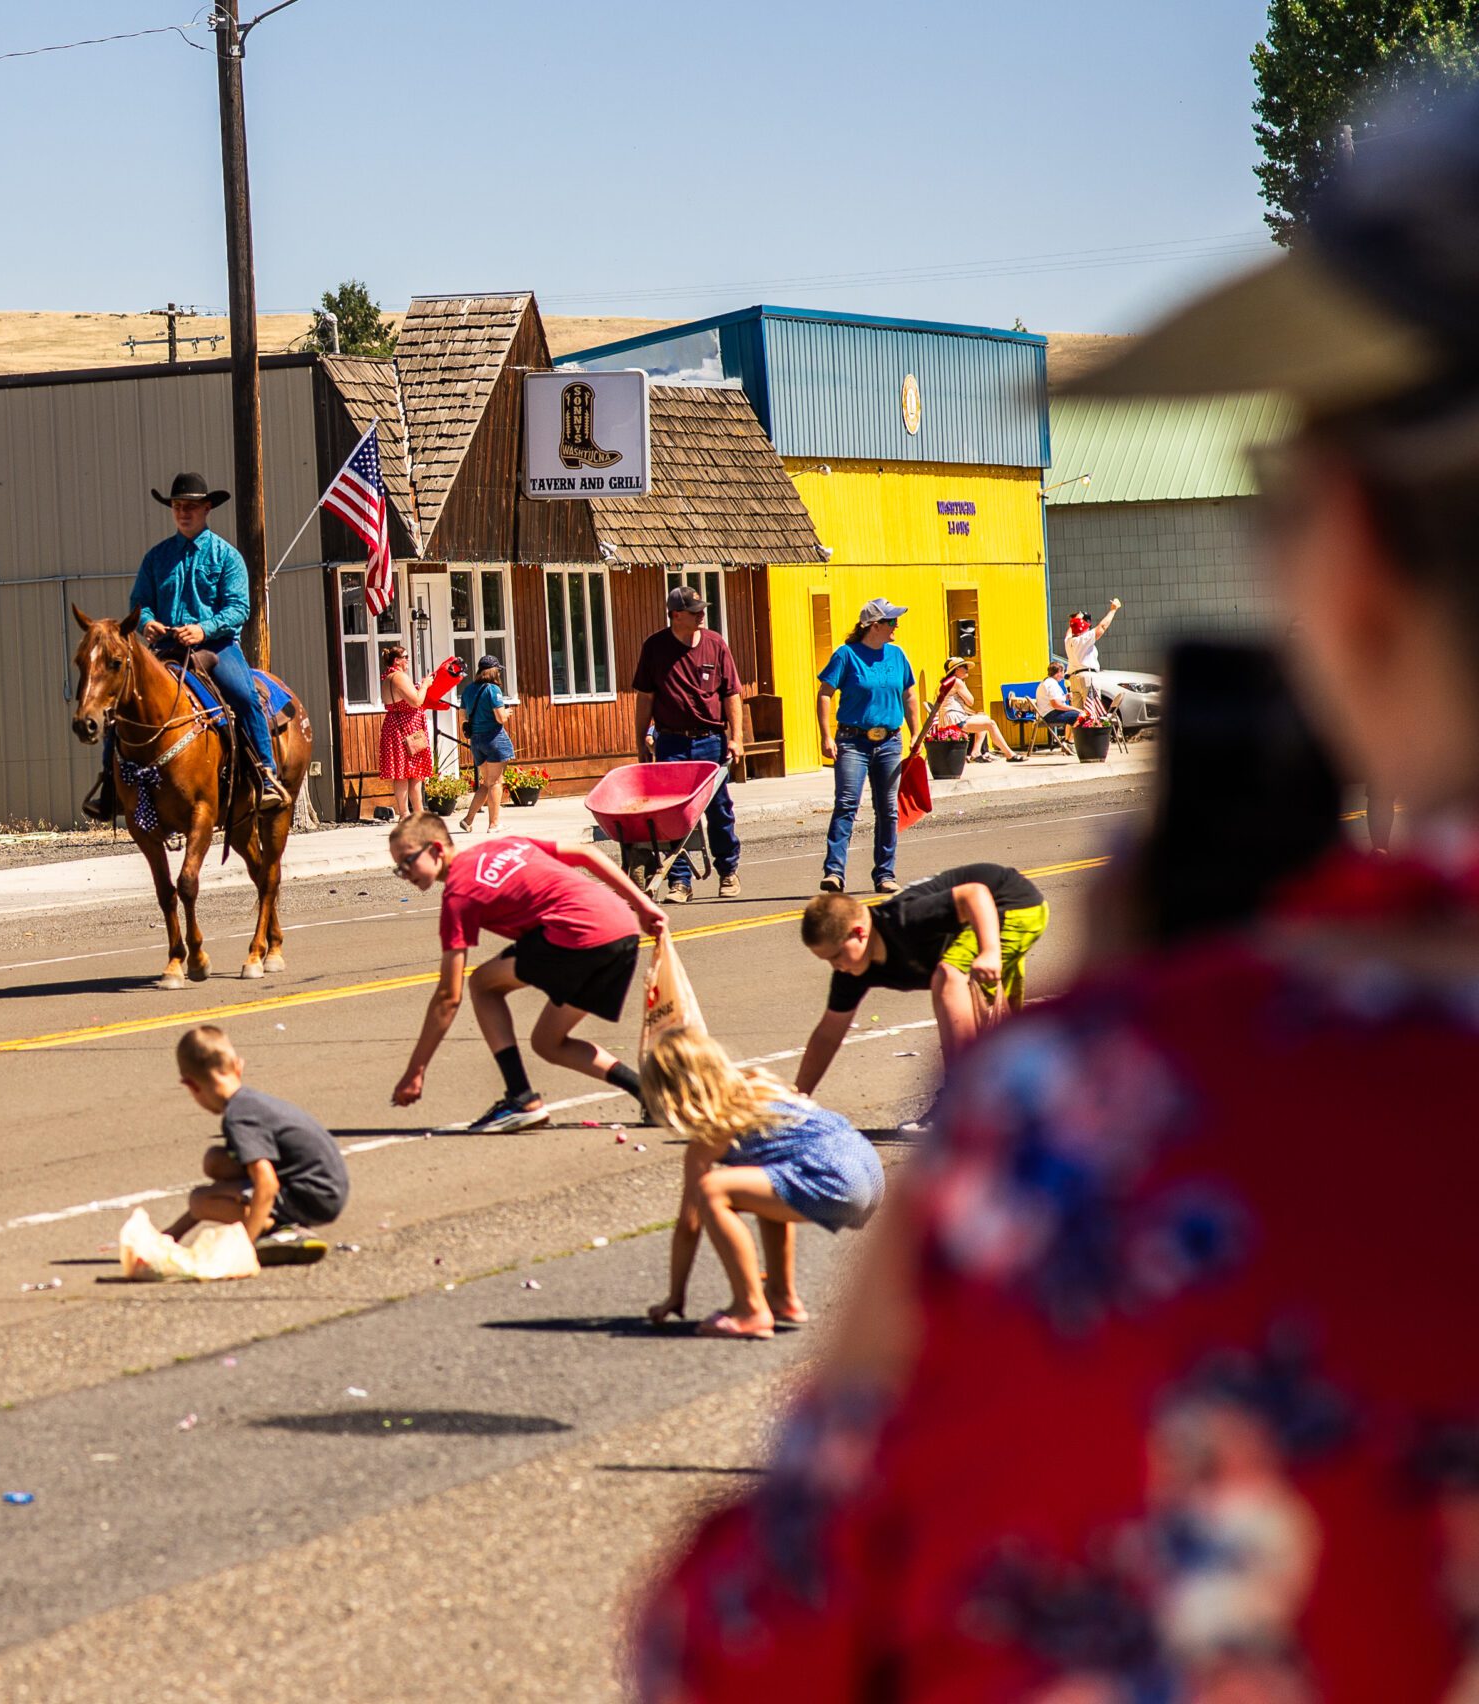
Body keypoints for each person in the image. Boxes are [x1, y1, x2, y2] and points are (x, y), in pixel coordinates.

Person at [639, 87, 1479, 1695]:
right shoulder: (845, 675)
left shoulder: (1135, 1103)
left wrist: (1027, 1107)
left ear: (1352, 560)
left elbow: (749, 1649)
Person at [386, 813, 671, 1132]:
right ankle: (650, 1094)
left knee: (482, 984)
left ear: (436, 849)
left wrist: (416, 1070)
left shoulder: (458, 895)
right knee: (548, 1042)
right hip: (621, 930)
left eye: (408, 861)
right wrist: (642, 903)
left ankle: (521, 1099)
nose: (405, 873)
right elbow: (586, 853)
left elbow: (447, 998)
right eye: (399, 868)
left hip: (578, 935)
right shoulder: (504, 845)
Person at [641, 1026, 884, 1340]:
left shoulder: (712, 1133)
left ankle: (749, 1310)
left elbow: (689, 1224)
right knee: (769, 1180)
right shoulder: (760, 1086)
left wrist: (675, 1294)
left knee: (712, 1188)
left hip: (833, 1179)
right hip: (866, 1168)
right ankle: (782, 1297)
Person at [112, 471, 287, 810]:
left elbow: (239, 608)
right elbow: (141, 603)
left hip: (216, 648)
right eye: (177, 506)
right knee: (121, 700)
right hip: (166, 647)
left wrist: (204, 629)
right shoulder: (156, 558)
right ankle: (111, 788)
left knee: (244, 695)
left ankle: (266, 775)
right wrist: (147, 623)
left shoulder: (226, 556)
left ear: (207, 508)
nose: (183, 512)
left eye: (191, 506)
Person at [791, 862, 1046, 1092]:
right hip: (975, 924)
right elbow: (828, 1034)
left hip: (1012, 904)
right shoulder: (851, 971)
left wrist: (990, 951)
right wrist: (798, 1100)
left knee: (948, 976)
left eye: (836, 955)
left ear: (859, 932)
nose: (835, 966)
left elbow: (975, 893)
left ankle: (959, 1094)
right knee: (1004, 1033)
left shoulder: (904, 919)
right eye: (827, 961)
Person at [162, 1024, 348, 1250]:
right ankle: (274, 1224)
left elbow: (267, 1183)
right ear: (238, 1067)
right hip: (325, 1187)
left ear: (190, 1085)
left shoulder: (239, 1118)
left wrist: (245, 1247)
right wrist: (174, 1233)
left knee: (201, 1200)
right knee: (216, 1161)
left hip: (314, 1197)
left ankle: (279, 1230)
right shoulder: (248, 1103)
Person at [629, 583, 747, 900]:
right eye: (695, 611)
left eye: (702, 610)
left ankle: (728, 873)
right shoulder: (654, 648)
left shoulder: (715, 644)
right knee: (671, 814)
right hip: (671, 742)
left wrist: (736, 738)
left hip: (710, 740)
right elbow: (645, 698)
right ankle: (679, 882)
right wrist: (641, 739)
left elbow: (732, 694)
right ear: (676, 615)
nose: (702, 615)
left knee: (719, 810)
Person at [816, 597, 923, 895]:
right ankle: (834, 872)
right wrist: (826, 736)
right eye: (891, 622)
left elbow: (910, 694)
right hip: (852, 741)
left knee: (888, 809)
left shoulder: (897, 655)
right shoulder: (846, 656)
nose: (896, 626)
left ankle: (885, 874)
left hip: (889, 741)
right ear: (874, 626)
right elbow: (825, 693)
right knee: (847, 804)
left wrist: (916, 732)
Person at [457, 654, 514, 832]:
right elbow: (500, 718)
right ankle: (494, 823)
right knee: (496, 782)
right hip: (494, 739)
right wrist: (507, 712)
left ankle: (468, 819)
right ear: (494, 671)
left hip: (477, 741)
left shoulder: (468, 690)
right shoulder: (493, 690)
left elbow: (462, 717)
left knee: (487, 782)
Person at [376, 640, 432, 822]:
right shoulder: (399, 677)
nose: (408, 661)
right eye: (406, 657)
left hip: (394, 726)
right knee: (415, 773)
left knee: (401, 773)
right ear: (397, 661)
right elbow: (416, 701)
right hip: (407, 727)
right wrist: (424, 685)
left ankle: (404, 813)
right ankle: (417, 813)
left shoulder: (387, 677)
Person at [934, 657, 1021, 762]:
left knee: (983, 717)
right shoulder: (957, 682)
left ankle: (976, 752)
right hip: (954, 719)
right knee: (991, 724)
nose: (967, 669)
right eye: (964, 667)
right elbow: (971, 701)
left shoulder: (947, 681)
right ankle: (1009, 754)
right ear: (956, 670)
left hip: (948, 717)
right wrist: (964, 686)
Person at [1065, 596, 1123, 709]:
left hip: (1074, 679)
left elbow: (1070, 630)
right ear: (1083, 629)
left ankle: (1077, 728)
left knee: (1078, 714)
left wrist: (1077, 619)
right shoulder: (1084, 639)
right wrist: (1113, 609)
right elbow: (1102, 626)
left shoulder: (1068, 641)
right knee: (1091, 712)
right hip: (1087, 677)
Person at [1035, 657, 1084, 750]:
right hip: (1050, 715)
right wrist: (1076, 709)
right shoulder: (1052, 684)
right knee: (1082, 715)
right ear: (1058, 673)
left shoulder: (1046, 682)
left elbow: (1052, 700)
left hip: (1046, 713)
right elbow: (1056, 705)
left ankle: (1068, 741)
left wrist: (1065, 697)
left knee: (1074, 715)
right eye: (1062, 672)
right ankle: (1070, 742)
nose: (1063, 675)